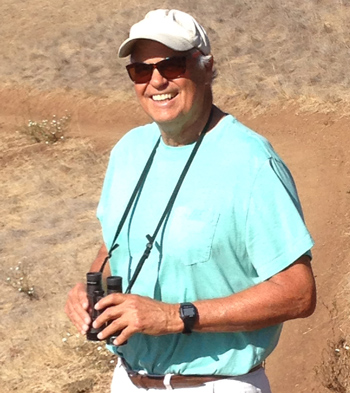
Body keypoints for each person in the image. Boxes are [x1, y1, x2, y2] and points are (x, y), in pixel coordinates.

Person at [65, 9, 316, 392]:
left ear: (207, 66)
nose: (157, 80)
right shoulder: (128, 151)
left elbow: (298, 293)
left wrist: (173, 316)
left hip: (216, 383)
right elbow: (116, 239)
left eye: (173, 64)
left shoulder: (251, 162)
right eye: (140, 70)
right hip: (128, 379)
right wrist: (88, 287)